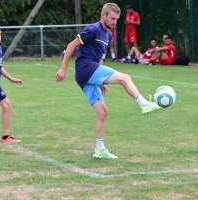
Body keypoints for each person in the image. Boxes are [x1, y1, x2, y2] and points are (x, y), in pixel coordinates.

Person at [55, 3, 161, 159]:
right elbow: (71, 45)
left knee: (102, 112)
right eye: (112, 18)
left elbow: (100, 58)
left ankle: (100, 150)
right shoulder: (93, 29)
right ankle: (144, 104)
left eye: (117, 19)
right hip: (85, 68)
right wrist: (63, 69)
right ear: (103, 15)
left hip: (89, 73)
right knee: (125, 78)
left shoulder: (108, 34)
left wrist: (101, 82)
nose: (114, 22)